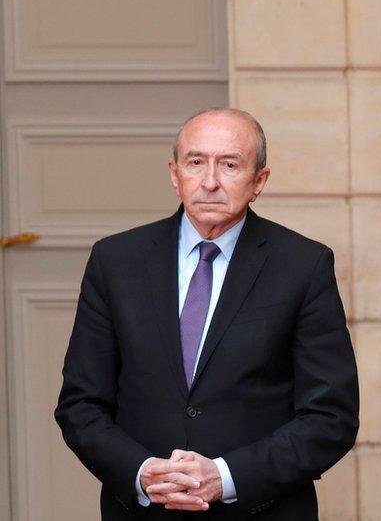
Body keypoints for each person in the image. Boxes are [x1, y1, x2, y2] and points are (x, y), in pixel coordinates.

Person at [55, 108, 359, 519]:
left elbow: (331, 417)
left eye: (229, 164)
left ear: (259, 182)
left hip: (261, 511)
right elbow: (81, 405)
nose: (210, 181)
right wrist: (144, 473)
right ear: (174, 173)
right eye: (195, 162)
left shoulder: (303, 266)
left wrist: (225, 476)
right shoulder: (116, 261)